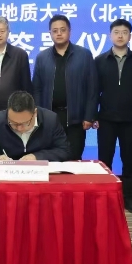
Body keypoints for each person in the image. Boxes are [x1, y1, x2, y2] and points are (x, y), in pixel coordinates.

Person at [93, 19, 132, 214]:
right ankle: (104, 198)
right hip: (106, 119)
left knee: (129, 160)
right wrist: (93, 115)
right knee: (104, 161)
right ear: (110, 35)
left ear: (130, 36)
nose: (120, 35)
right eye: (116, 32)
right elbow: (95, 91)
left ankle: (129, 199)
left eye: (124, 32)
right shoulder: (100, 60)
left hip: (130, 119)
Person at [32, 14, 97, 160]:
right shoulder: (42, 57)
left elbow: (92, 88)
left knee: (74, 159)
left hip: (76, 119)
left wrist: (89, 116)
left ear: (69, 31)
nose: (59, 33)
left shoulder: (84, 55)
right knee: (50, 159)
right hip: (49, 119)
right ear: (50, 33)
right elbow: (37, 89)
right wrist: (38, 115)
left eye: (62, 30)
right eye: (55, 31)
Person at [0, 91, 70, 165]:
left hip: (42, 174)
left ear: (35, 113)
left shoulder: (50, 120)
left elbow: (65, 151)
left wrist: (37, 157)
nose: (19, 128)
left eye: (25, 123)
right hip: (9, 175)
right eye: (13, 123)